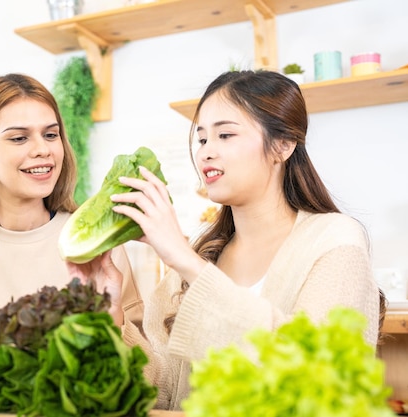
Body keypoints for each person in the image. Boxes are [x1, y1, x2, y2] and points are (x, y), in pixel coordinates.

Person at [68, 70, 382, 410]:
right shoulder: (202, 256)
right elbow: (162, 392)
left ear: (283, 145)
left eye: (226, 135)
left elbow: (313, 379)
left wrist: (186, 261)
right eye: (202, 139)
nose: (206, 152)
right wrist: (110, 317)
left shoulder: (335, 240)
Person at [0, 73, 144, 363]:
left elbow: (142, 372)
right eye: (19, 138)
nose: (43, 150)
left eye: (50, 134)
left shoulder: (94, 241)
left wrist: (111, 313)